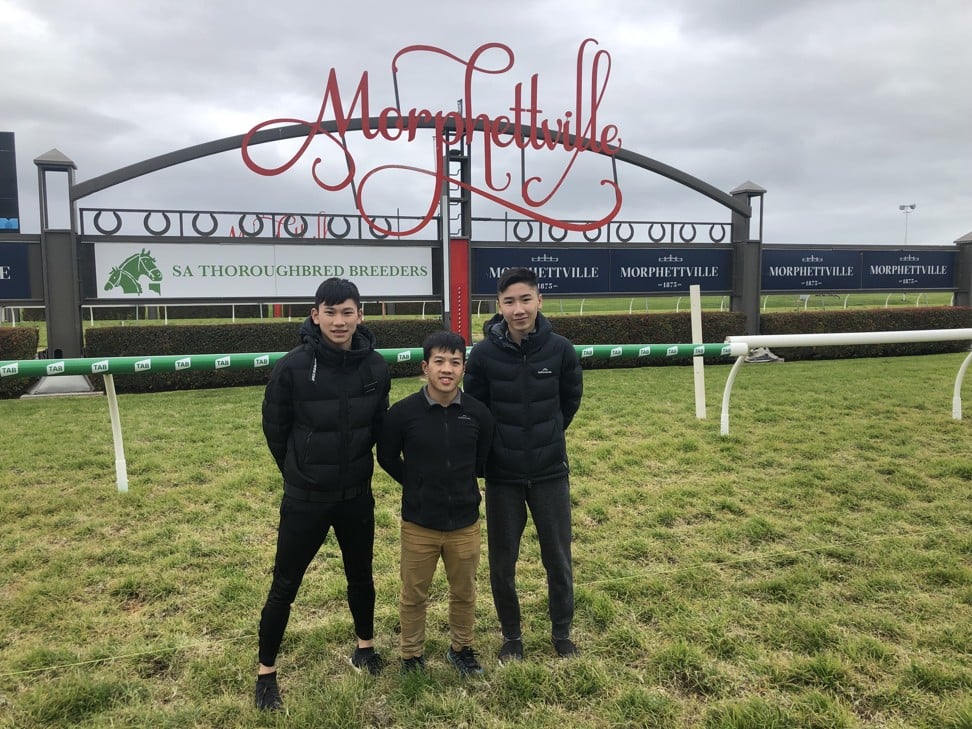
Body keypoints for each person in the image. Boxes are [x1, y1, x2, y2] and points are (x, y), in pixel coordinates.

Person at [255, 277, 391, 712]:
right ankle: (265, 674)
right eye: (329, 312)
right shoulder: (292, 367)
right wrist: (300, 471)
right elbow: (275, 430)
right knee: (284, 585)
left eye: (347, 311)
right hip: (305, 498)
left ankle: (365, 648)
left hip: (356, 495)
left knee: (361, 576)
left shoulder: (375, 367)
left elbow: (379, 427)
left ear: (360, 316)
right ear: (315, 315)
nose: (339, 320)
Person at [464, 267, 584, 663]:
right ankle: (511, 636)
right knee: (503, 562)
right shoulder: (482, 355)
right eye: (510, 302)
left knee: (558, 558)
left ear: (539, 300)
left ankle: (561, 632)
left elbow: (569, 402)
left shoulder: (561, 349)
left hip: (550, 472)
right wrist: (501, 449)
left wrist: (546, 437)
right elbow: (477, 411)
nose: (519, 309)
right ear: (498, 306)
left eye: (525, 299)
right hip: (503, 477)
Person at [377, 331, 494, 677]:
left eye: (455, 363)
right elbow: (386, 457)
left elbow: (481, 462)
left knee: (465, 592)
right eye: (439, 362)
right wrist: (416, 483)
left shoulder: (479, 414)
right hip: (419, 524)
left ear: (463, 369)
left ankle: (462, 649)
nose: (447, 370)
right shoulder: (402, 414)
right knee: (413, 595)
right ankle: (411, 656)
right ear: (425, 367)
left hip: (464, 524)